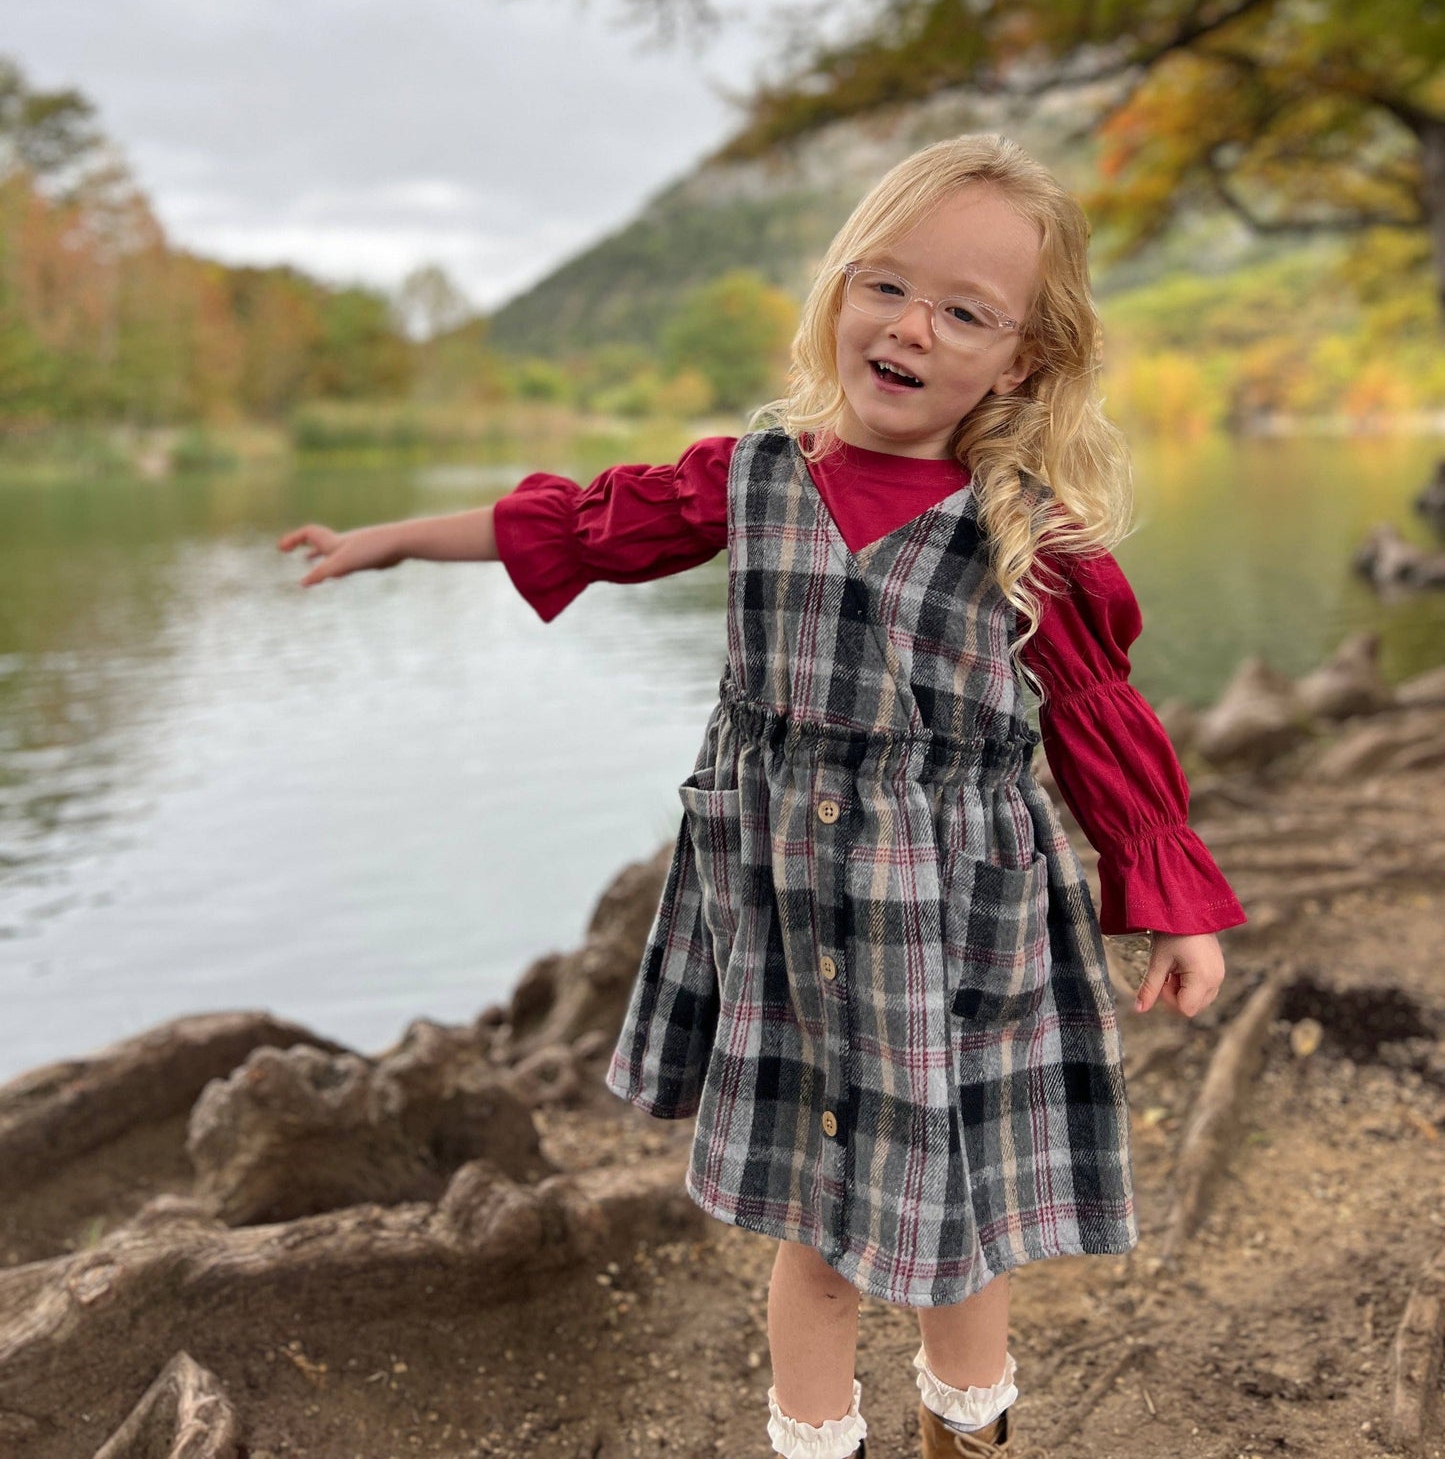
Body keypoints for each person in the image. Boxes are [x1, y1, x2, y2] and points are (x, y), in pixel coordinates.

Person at [279, 134, 1247, 1459]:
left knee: (957, 1224)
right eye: (884, 285)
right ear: (839, 293)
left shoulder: (1024, 533)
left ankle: (964, 1434)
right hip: (787, 916)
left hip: (956, 919)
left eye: (963, 312)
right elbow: (575, 528)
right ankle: (813, 1438)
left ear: (1022, 359)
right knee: (816, 1224)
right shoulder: (754, 474)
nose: (910, 327)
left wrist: (1172, 904)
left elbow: (1097, 726)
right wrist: (391, 539)